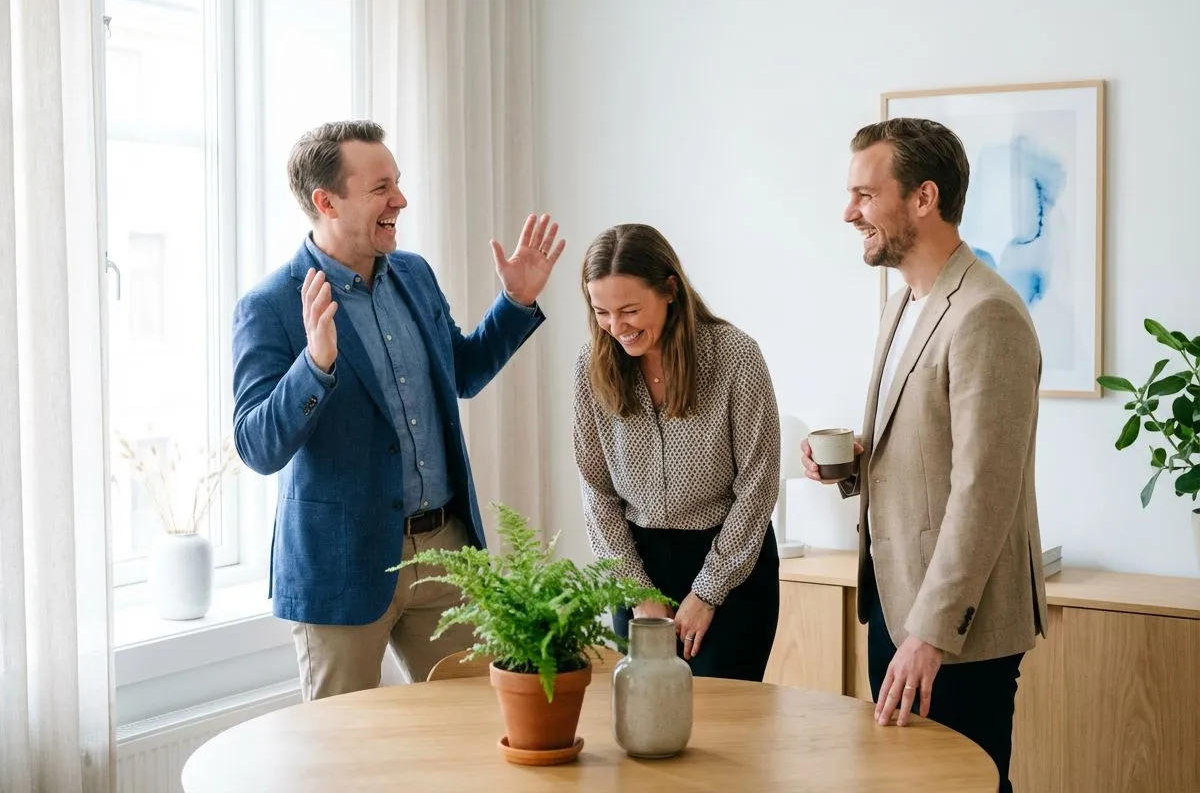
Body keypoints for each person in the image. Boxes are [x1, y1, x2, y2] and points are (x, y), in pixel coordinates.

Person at [231, 120, 565, 700]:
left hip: (445, 552)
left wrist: (517, 303)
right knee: (345, 753)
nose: (400, 201)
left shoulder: (413, 274)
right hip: (341, 564)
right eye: (381, 187)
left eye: (399, 183)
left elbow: (461, 371)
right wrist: (314, 365)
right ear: (325, 201)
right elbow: (257, 446)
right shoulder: (269, 305)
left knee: (472, 729)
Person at [802, 118, 1048, 792]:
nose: (849, 212)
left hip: (953, 627)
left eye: (864, 193)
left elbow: (983, 489)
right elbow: (928, 450)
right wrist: (853, 465)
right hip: (895, 599)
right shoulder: (904, 303)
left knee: (962, 783)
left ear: (923, 198)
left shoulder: (986, 314)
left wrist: (932, 634)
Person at [572, 223, 781, 681]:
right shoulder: (591, 369)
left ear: (670, 289)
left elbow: (758, 484)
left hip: (733, 567)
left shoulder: (735, 357)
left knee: (724, 729)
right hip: (638, 565)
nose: (616, 327)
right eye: (601, 312)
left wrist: (708, 591)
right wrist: (638, 591)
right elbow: (596, 491)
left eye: (629, 310)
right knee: (649, 724)